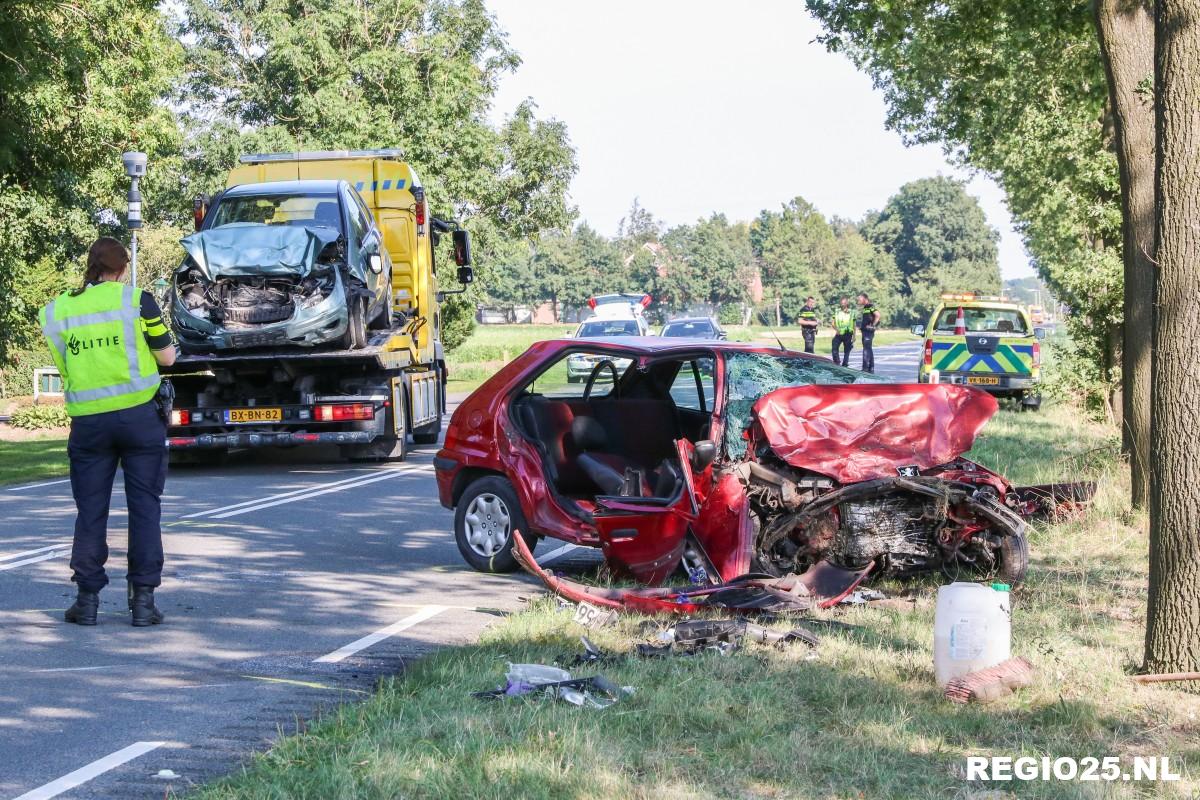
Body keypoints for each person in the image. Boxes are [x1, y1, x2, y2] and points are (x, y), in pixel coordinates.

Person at [39, 237, 177, 627]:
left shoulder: (59, 310)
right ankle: (144, 603)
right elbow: (166, 357)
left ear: (91, 266)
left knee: (90, 512)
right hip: (139, 420)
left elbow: (66, 364)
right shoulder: (137, 301)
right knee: (145, 507)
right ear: (122, 268)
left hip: (89, 424)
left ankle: (86, 601)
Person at [858, 293, 881, 373]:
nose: (858, 301)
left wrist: (872, 325)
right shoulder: (865, 308)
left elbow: (878, 315)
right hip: (865, 331)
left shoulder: (870, 306)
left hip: (868, 332)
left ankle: (865, 368)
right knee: (868, 349)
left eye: (860, 299)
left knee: (866, 349)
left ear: (865, 299)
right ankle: (871, 368)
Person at [831, 298, 855, 367]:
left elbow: (854, 325)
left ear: (847, 303)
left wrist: (854, 336)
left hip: (848, 333)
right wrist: (836, 329)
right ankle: (837, 361)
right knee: (834, 346)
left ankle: (845, 364)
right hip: (839, 333)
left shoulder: (852, 312)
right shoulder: (837, 311)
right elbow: (832, 323)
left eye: (844, 303)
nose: (842, 304)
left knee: (847, 350)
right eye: (841, 303)